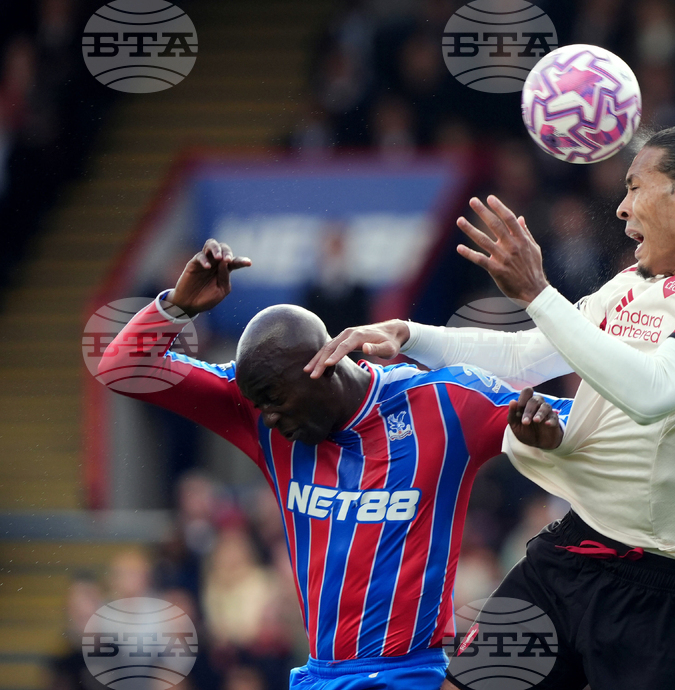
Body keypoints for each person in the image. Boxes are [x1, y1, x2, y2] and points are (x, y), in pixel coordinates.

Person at [305, 124, 675, 690]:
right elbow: (527, 357)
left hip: (668, 584)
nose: (621, 208)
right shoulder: (634, 282)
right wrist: (409, 335)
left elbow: (654, 392)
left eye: (635, 187)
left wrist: (540, 294)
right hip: (573, 552)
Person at [97, 239, 572, 690]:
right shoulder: (258, 410)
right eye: (260, 405)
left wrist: (550, 434)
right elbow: (120, 368)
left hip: (411, 675)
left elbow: (591, 424)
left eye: (277, 401)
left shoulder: (445, 405)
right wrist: (176, 308)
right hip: (319, 674)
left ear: (321, 365)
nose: (269, 417)